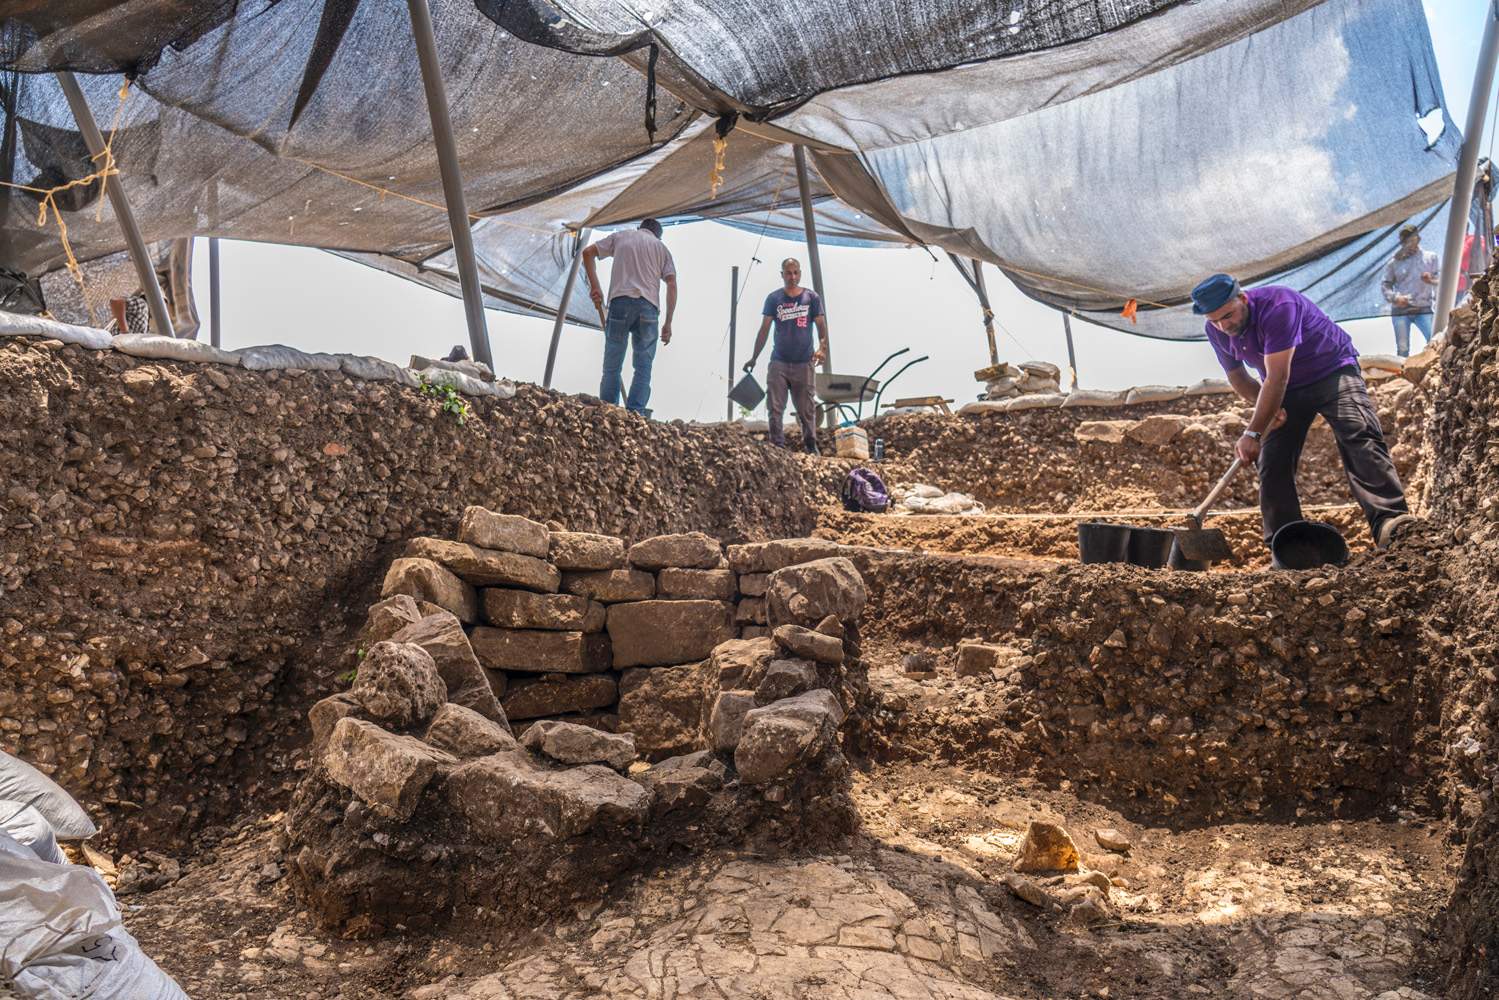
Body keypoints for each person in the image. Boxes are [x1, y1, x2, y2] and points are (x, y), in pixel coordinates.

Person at [1192, 273, 1414, 550]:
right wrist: (1267, 413)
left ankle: (1392, 525)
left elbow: (1277, 377)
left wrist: (1252, 432)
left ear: (1243, 298)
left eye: (1228, 315)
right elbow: (1238, 377)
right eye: (1214, 320)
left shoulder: (1279, 305)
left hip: (1332, 370)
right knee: (1272, 460)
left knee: (1358, 431)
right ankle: (1287, 544)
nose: (1223, 326)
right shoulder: (1216, 330)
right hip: (1284, 390)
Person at [582, 219, 677, 414]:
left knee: (612, 365)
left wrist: (595, 287)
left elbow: (587, 253)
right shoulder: (661, 248)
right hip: (648, 309)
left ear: (639, 228)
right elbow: (672, 284)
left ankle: (608, 410)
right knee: (643, 367)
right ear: (657, 235)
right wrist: (668, 323)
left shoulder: (621, 236)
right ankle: (636, 413)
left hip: (620, 303)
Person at [742, 258, 830, 454]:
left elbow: (821, 327)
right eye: (788, 273)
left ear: (800, 273)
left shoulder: (811, 298)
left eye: (795, 272)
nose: (792, 277)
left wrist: (822, 348)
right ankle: (778, 446)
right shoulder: (774, 299)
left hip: (804, 362)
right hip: (779, 362)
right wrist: (754, 357)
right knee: (775, 406)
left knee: (807, 408)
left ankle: (810, 444)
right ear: (781, 274)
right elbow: (764, 330)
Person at [1380, 224, 1437, 357]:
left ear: (1418, 238)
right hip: (1401, 311)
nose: (1409, 242)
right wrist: (1395, 298)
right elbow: (1385, 285)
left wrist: (1431, 281)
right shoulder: (1394, 262)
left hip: (1423, 308)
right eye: (1405, 239)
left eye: (1411, 238)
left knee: (1434, 340)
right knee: (1403, 348)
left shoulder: (1430, 257)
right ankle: (1402, 376)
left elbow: (1443, 279)